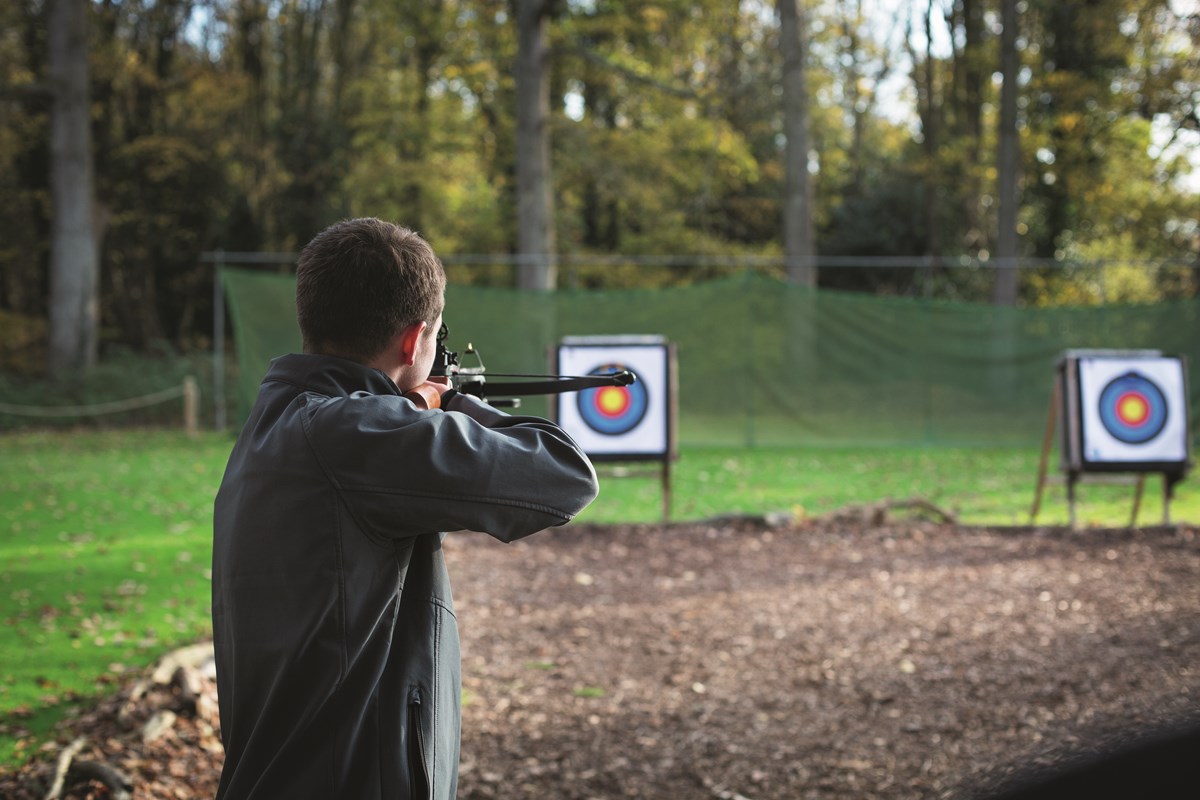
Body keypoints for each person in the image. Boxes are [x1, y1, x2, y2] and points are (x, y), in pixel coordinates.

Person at [211, 218, 599, 799]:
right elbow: (563, 474)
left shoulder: (282, 419)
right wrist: (453, 399)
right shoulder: (357, 433)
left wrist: (426, 403)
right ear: (414, 341)